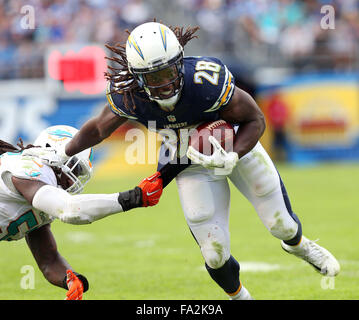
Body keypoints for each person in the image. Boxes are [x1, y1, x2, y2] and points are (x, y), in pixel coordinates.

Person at [28, 22, 340, 300]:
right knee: (214, 253)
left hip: (232, 145)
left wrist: (233, 155)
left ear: (179, 63)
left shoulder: (206, 81)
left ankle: (299, 246)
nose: (163, 84)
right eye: (153, 77)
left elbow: (255, 120)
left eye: (167, 73)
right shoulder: (129, 95)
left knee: (281, 225)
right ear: (138, 78)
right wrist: (63, 153)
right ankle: (240, 297)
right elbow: (97, 128)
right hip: (186, 161)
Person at [0, 125, 162, 300]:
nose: (74, 179)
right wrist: (133, 197)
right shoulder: (30, 167)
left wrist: (71, 280)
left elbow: (49, 261)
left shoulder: (40, 193)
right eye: (75, 168)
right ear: (51, 151)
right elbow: (71, 210)